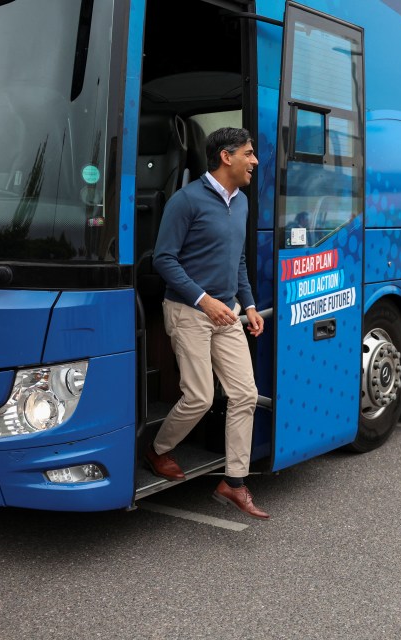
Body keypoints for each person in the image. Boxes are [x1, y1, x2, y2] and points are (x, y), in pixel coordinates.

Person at [146, 127, 268, 520]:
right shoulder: (186, 201)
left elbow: (239, 261)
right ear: (226, 157)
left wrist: (247, 305)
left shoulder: (242, 203)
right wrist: (204, 300)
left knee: (245, 394)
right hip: (188, 310)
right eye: (248, 154)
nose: (255, 161)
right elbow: (163, 259)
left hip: (227, 311)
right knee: (199, 396)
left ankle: (233, 483)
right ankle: (158, 450)